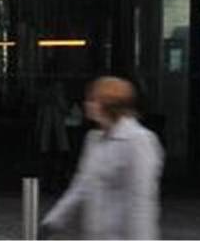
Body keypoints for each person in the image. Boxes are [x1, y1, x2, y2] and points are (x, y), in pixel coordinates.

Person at [41, 75, 161, 240]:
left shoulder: (138, 141)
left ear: (108, 103)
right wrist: (53, 221)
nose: (87, 104)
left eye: (92, 99)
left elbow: (140, 201)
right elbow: (81, 185)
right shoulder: (94, 139)